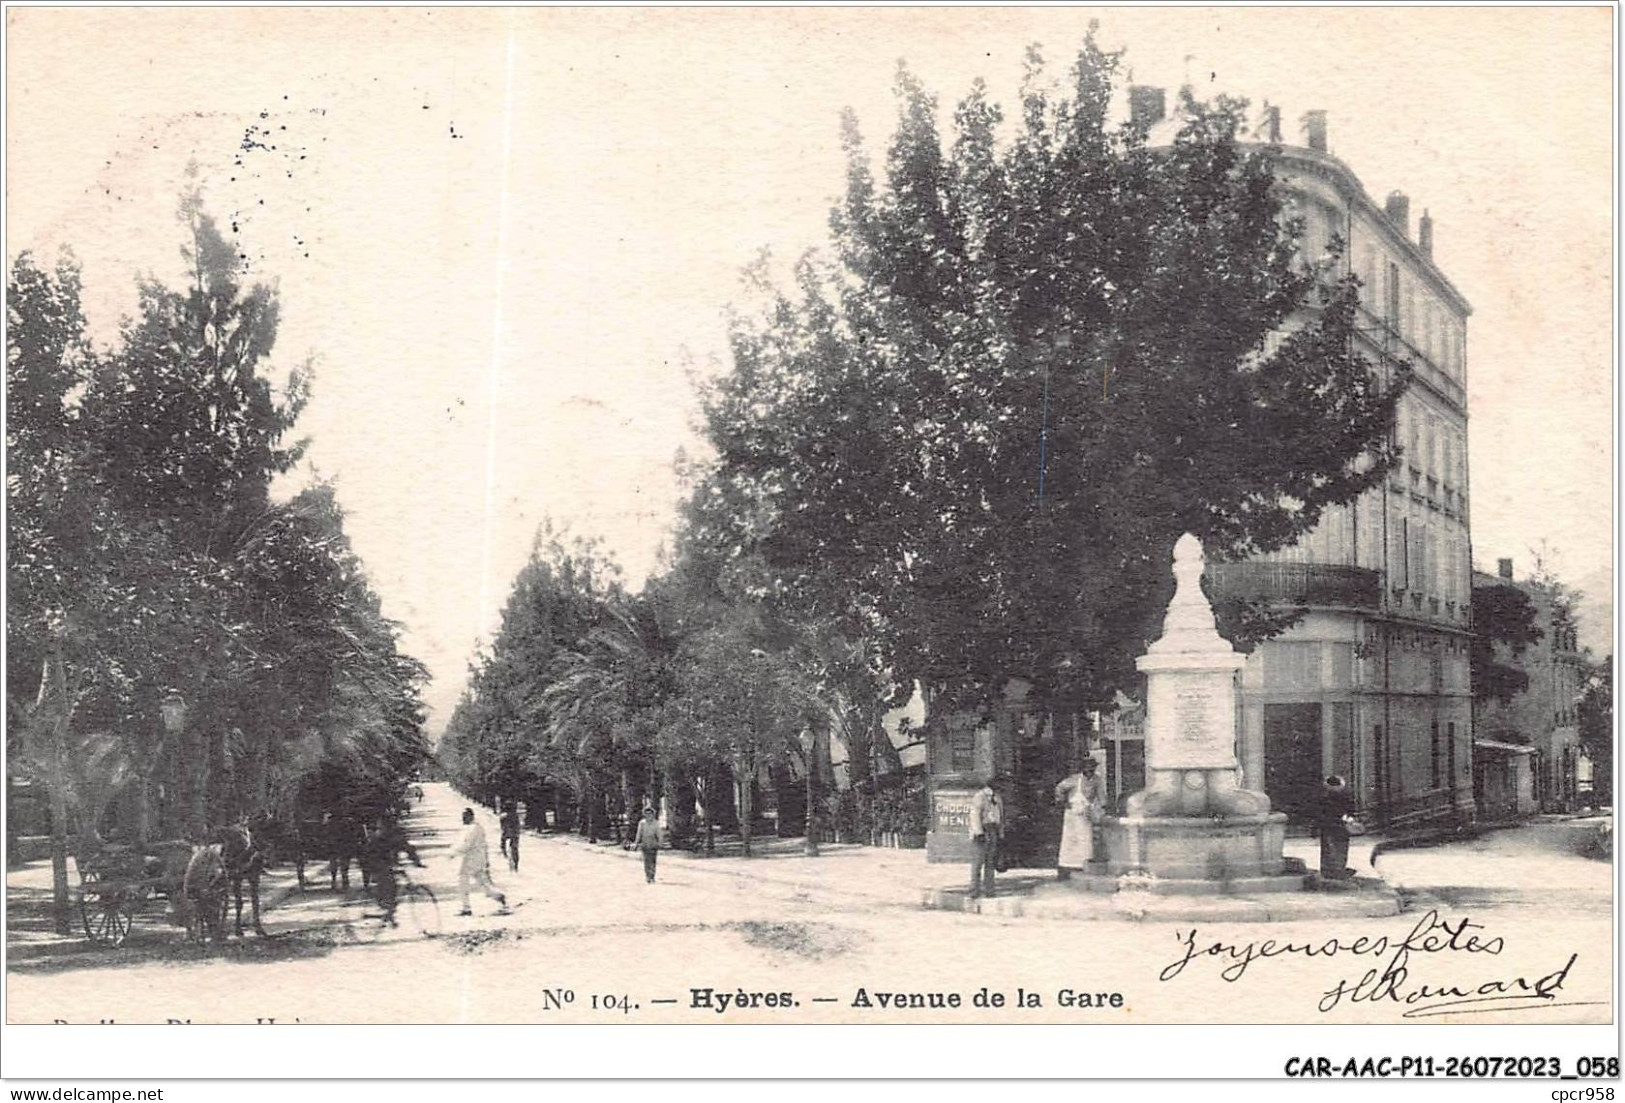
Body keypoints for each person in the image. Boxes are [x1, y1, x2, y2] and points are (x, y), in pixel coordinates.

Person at [360, 817, 422, 927]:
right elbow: (407, 848)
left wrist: (415, 860)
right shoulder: (386, 837)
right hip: (375, 863)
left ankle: (388, 911)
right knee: (388, 883)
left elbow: (407, 848)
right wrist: (416, 861)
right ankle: (385, 909)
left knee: (389, 884)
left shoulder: (385, 836)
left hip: (378, 863)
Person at [447, 807, 509, 917]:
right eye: (462, 816)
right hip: (477, 858)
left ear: (471, 816)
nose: (463, 818)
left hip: (473, 858)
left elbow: (466, 844)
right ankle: (499, 896)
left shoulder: (473, 828)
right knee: (481, 881)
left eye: (465, 816)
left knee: (462, 879)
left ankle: (466, 908)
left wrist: (453, 853)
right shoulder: (473, 827)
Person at [1053, 756, 1104, 880]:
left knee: (1085, 840)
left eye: (1092, 767)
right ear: (1083, 768)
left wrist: (1100, 807)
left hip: (1085, 813)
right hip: (1072, 813)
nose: (1090, 770)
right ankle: (1065, 868)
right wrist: (1063, 801)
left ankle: (1082, 865)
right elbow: (1059, 788)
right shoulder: (1074, 779)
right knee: (1069, 841)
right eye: (1087, 767)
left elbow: (1102, 797)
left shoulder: (1097, 780)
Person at [967, 774, 1005, 899]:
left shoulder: (997, 798)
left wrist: (1000, 833)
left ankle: (990, 890)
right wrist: (978, 833)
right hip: (982, 831)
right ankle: (974, 890)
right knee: (978, 863)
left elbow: (1000, 816)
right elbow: (975, 816)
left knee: (990, 862)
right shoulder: (980, 797)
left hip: (993, 830)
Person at [1316, 776, 1357, 882]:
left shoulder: (1323, 796)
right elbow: (1350, 810)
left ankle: (1327, 871)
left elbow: (1319, 812)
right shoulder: (1345, 795)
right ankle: (1339, 870)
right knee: (1341, 848)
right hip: (1341, 826)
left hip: (1327, 826)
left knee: (1328, 849)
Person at [632, 804, 662, 883]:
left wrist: (660, 842)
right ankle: (647, 876)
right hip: (645, 843)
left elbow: (659, 834)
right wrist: (636, 842)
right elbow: (639, 833)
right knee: (646, 861)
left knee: (652, 861)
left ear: (653, 814)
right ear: (645, 815)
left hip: (653, 843)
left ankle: (652, 876)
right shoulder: (642, 823)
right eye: (647, 814)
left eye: (650, 814)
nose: (649, 816)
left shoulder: (656, 823)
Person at [499, 801, 521, 873]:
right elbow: (517, 826)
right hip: (514, 833)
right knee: (515, 848)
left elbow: (502, 826)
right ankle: (516, 865)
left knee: (503, 843)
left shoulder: (503, 816)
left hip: (506, 833)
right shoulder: (515, 815)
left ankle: (504, 852)